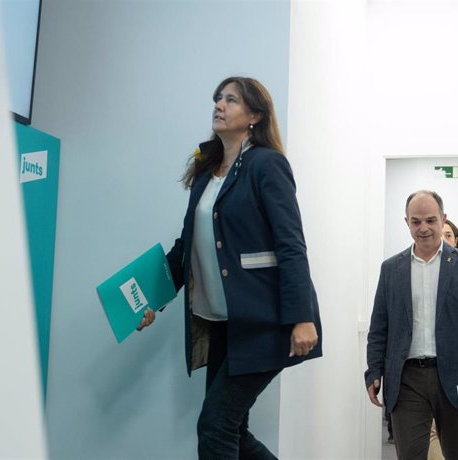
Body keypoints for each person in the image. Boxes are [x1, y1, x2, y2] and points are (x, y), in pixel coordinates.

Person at [137, 76, 323, 459]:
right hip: (222, 323)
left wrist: (302, 317)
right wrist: (149, 300)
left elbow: (291, 244)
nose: (219, 105)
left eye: (231, 100)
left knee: (215, 424)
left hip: (266, 321)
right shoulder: (207, 173)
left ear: (254, 115)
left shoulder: (266, 165)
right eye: (218, 98)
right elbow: (185, 249)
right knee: (232, 431)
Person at [365, 190, 458, 460]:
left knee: (457, 454)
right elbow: (379, 326)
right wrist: (374, 370)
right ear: (407, 222)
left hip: (456, 376)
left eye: (430, 220)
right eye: (416, 221)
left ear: (443, 219)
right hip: (407, 379)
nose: (423, 228)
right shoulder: (391, 269)